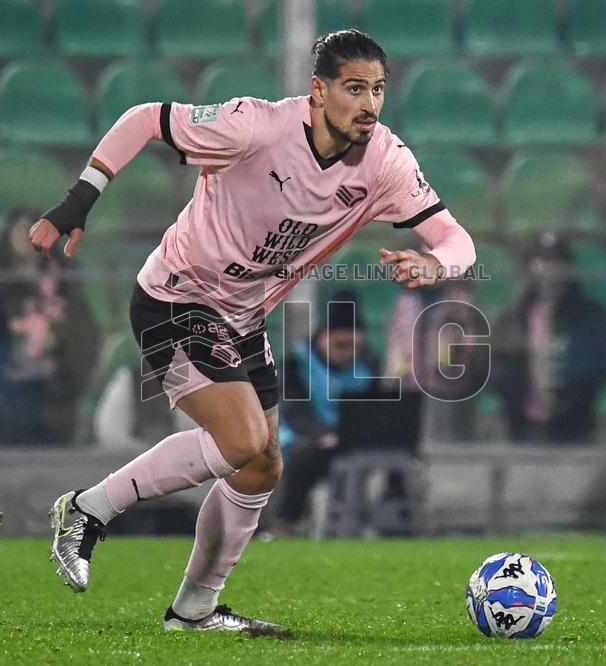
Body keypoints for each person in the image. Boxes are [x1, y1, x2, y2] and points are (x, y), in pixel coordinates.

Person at [32, 30, 476, 635]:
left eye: (378, 89)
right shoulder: (254, 127)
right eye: (354, 89)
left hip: (241, 317)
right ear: (318, 92)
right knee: (241, 440)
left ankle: (193, 611)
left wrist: (435, 264)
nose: (369, 103)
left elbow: (458, 240)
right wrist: (81, 197)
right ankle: (87, 509)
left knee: (262, 467)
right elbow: (144, 119)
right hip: (174, 296)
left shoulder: (386, 162)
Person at [0, 207, 99, 447]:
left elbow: (83, 332)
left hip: (52, 390)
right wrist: (11, 283)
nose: (26, 239)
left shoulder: (65, 280)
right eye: (20, 231)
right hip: (7, 389)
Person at [490, 233, 606, 444]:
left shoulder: (589, 315)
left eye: (557, 261)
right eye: (542, 261)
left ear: (568, 268)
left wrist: (577, 390)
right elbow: (498, 362)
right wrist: (512, 393)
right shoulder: (514, 316)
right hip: (523, 424)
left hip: (575, 422)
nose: (548, 269)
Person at [271, 289, 380, 535]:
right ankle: (287, 522)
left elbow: (375, 409)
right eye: (340, 345)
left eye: (352, 346)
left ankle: (391, 529)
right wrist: (322, 434)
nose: (346, 352)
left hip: (352, 442)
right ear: (323, 337)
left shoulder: (370, 363)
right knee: (302, 456)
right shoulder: (298, 361)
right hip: (308, 439)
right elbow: (294, 409)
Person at [386, 278, 488, 443]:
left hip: (446, 383)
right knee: (410, 437)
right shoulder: (405, 301)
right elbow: (396, 339)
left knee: (445, 437)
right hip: (409, 384)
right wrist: (395, 375)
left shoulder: (456, 299)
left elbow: (467, 335)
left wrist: (455, 360)